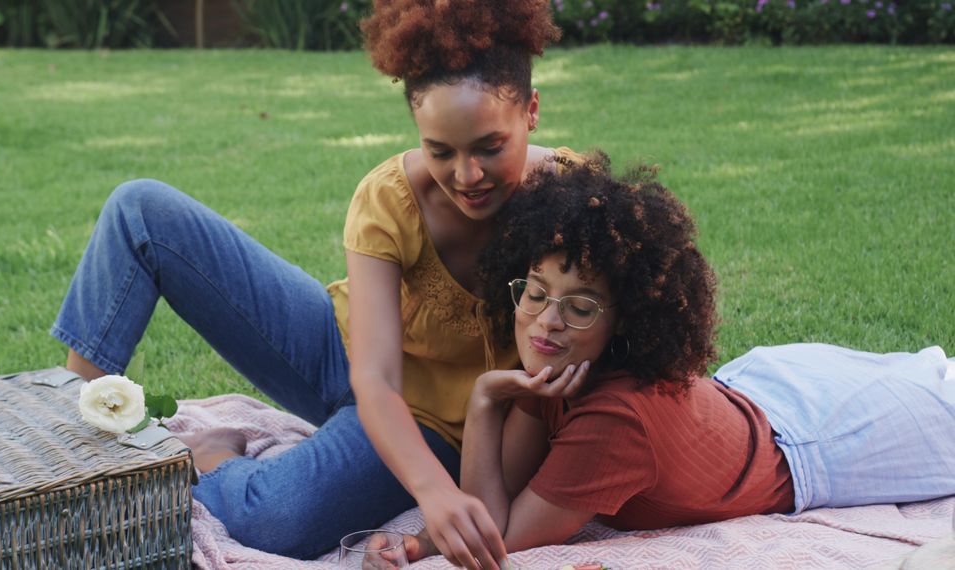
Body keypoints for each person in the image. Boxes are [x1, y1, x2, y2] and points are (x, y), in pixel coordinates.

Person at [50, 0, 573, 563]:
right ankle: (70, 438)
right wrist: (433, 493)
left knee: (276, 518)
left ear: (532, 111)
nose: (466, 176)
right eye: (440, 151)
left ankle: (211, 458)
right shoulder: (389, 197)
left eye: (490, 147)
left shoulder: (575, 201)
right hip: (345, 354)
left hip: (438, 427)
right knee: (141, 211)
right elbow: (373, 377)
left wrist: (443, 483)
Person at [401, 152, 955, 564]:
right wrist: (418, 543)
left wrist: (482, 402)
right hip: (760, 383)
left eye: (582, 305)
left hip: (816, 441)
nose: (547, 320)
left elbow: (496, 539)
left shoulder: (614, 422)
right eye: (537, 292)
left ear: (626, 318)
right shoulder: (555, 365)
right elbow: (494, 500)